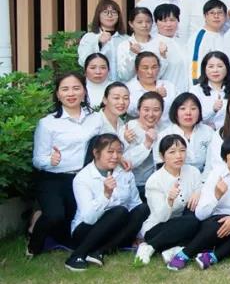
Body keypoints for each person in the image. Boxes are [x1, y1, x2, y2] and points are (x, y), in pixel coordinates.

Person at [167, 135, 230, 271]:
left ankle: (214, 256)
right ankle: (185, 254)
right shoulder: (216, 173)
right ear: (225, 158)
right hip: (217, 222)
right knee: (216, 225)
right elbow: (200, 214)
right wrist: (216, 196)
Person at [65, 133, 149, 271]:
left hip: (115, 230)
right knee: (119, 211)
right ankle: (77, 255)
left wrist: (139, 235)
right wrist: (105, 195)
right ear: (96, 153)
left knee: (142, 209)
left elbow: (135, 204)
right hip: (86, 231)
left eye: (119, 152)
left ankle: (100, 252)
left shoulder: (125, 173)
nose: (115, 156)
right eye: (110, 152)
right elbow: (88, 217)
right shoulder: (82, 178)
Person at [136, 134, 202, 266]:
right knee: (192, 223)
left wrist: (198, 192)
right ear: (162, 156)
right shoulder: (154, 181)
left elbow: (200, 189)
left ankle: (172, 250)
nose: (178, 156)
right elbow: (160, 217)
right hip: (158, 228)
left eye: (182, 150)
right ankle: (150, 246)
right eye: (172, 152)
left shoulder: (193, 172)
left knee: (200, 224)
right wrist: (169, 200)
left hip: (184, 224)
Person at [158, 92, 217, 172]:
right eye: (183, 108)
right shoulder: (164, 135)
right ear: (175, 112)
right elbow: (160, 166)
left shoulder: (208, 132)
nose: (188, 113)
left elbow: (212, 163)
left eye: (193, 108)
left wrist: (203, 179)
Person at [122, 91, 164, 189]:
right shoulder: (128, 129)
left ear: (162, 112)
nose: (151, 114)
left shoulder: (163, 130)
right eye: (146, 110)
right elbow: (125, 163)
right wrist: (147, 144)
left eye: (156, 110)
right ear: (139, 110)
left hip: (156, 184)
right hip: (132, 185)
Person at [78, 0, 127, 79]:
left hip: (121, 84)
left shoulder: (126, 39)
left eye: (114, 12)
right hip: (98, 83)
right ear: (98, 15)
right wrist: (99, 43)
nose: (110, 15)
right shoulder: (89, 37)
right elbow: (83, 61)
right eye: (105, 12)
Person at [125, 52, 176, 125]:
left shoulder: (169, 86)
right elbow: (131, 111)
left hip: (169, 129)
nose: (150, 72)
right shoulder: (128, 88)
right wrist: (153, 95)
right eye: (145, 68)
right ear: (136, 69)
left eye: (154, 67)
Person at [117, 7, 165, 82]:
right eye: (139, 22)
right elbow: (124, 76)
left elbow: (162, 74)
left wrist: (163, 56)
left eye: (148, 21)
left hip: (155, 87)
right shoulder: (124, 45)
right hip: (133, 87)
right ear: (131, 24)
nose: (144, 25)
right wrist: (132, 54)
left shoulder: (160, 43)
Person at [187, 0, 228, 83]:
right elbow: (195, 64)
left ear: (225, 16)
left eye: (220, 13)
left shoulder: (225, 34)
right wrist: (197, 85)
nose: (216, 16)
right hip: (205, 85)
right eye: (212, 13)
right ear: (205, 16)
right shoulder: (200, 37)